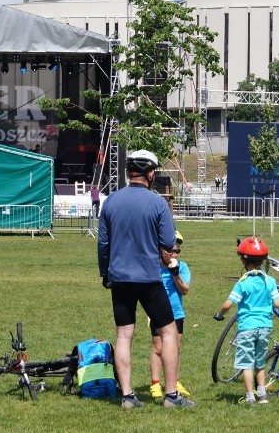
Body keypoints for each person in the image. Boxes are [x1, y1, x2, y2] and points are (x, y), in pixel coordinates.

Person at [97, 149, 195, 409]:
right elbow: (168, 242)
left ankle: (127, 396)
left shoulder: (111, 201)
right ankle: (172, 395)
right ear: (150, 173)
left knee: (124, 336)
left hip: (119, 278)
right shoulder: (157, 203)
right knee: (169, 332)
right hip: (149, 279)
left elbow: (103, 244)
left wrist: (105, 274)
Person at [213, 237, 279, 405]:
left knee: (246, 362)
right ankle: (262, 394)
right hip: (265, 326)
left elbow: (228, 304)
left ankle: (250, 396)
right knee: (260, 361)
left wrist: (219, 314)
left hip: (247, 327)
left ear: (243, 260)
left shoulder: (242, 283)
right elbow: (277, 303)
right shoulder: (270, 281)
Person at [148, 231, 191, 400]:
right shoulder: (153, 267)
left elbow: (184, 290)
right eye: (170, 250)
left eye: (177, 251)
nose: (174, 254)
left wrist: (175, 274)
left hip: (176, 313)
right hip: (157, 312)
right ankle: (155, 384)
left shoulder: (183, 267)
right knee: (158, 348)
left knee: (176, 348)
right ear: (160, 250)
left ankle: (175, 382)